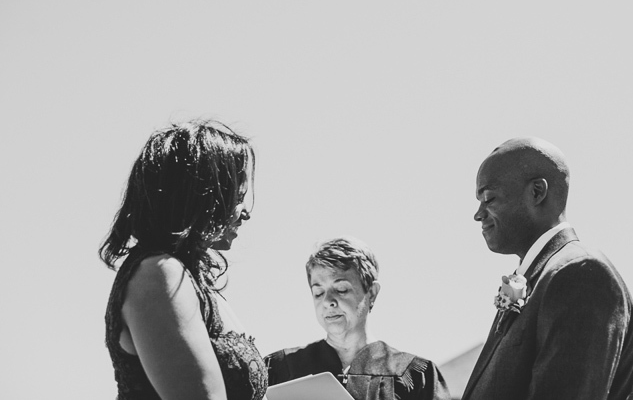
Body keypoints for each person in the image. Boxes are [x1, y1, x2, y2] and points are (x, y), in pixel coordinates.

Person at [100, 120, 268, 400]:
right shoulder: (158, 274)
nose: (245, 213)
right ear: (202, 197)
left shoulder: (194, 282)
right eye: (236, 198)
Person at [461, 137, 633, 400]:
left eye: (489, 198)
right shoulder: (544, 276)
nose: (478, 214)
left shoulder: (580, 274)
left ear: (537, 192)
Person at [265, 237, 451, 400]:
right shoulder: (279, 368)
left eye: (341, 289)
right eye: (319, 292)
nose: (328, 301)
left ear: (372, 293)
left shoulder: (416, 376)